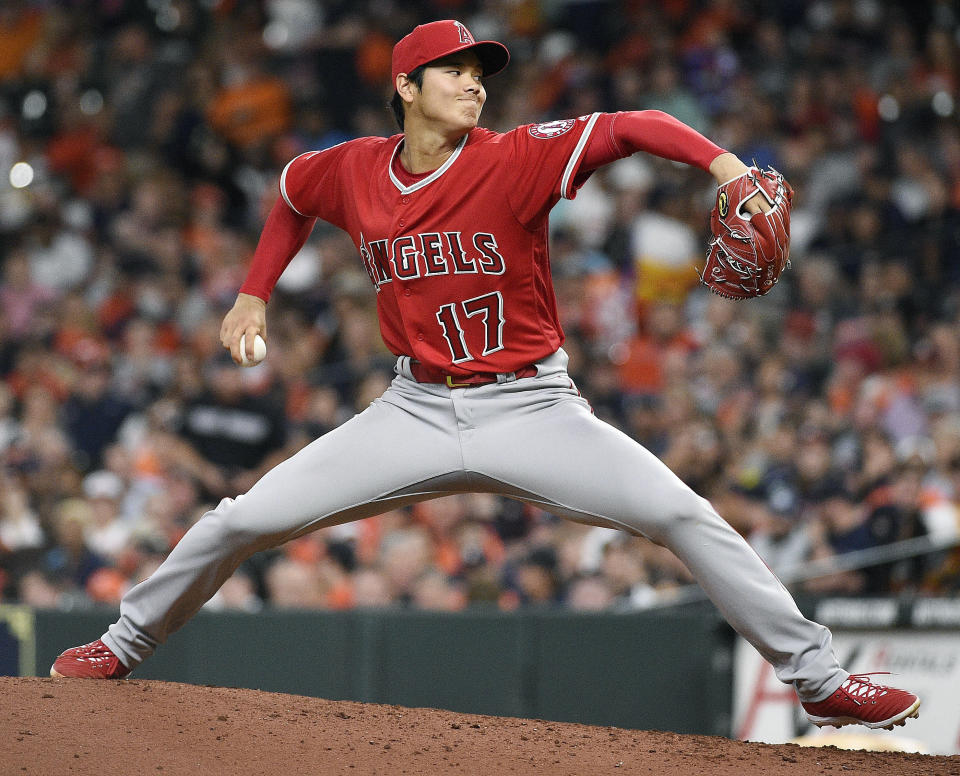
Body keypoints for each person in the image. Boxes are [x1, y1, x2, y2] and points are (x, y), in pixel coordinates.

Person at [51, 19, 920, 732]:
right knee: (241, 519)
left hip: (533, 404)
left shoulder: (516, 157)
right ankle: (123, 644)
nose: (474, 83)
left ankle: (818, 679)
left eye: (479, 71)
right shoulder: (354, 167)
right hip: (413, 407)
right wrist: (251, 296)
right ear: (406, 88)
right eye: (453, 71)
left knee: (680, 513)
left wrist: (725, 167)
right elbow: (289, 196)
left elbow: (633, 124)